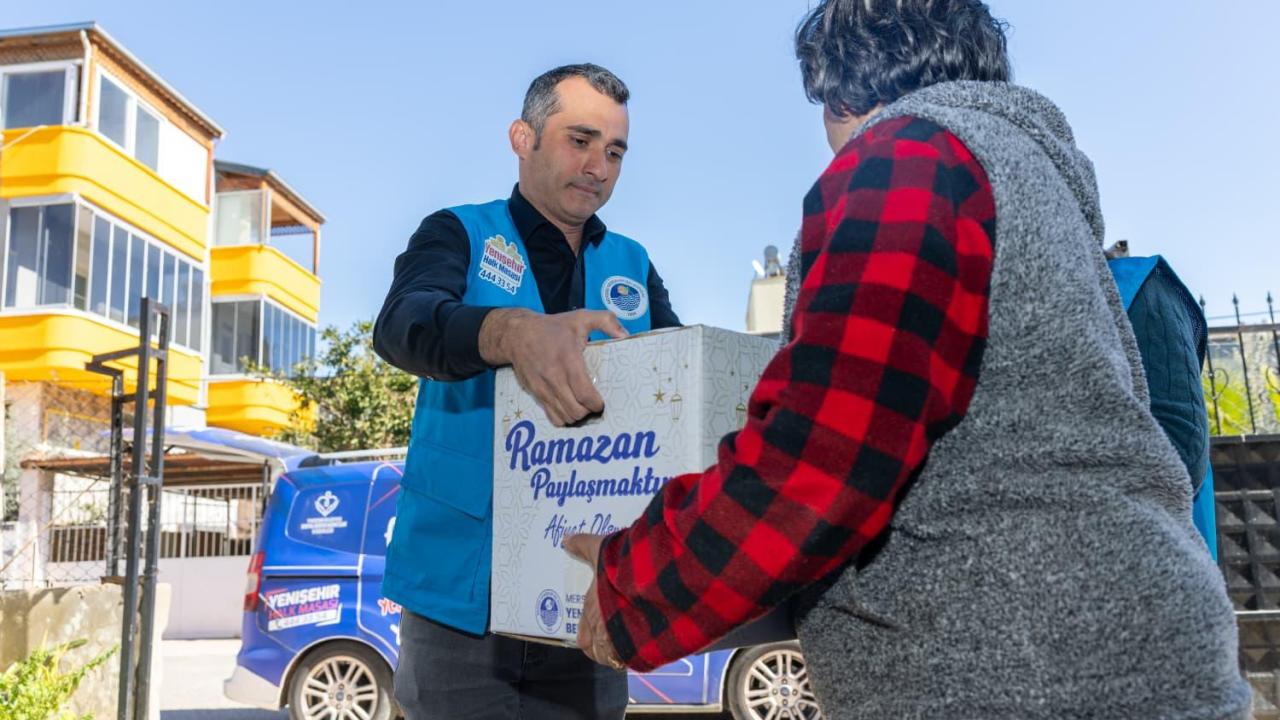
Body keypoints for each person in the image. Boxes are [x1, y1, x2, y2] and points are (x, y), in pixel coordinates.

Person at [565, 1, 1250, 717]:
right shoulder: (1022, 171)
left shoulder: (909, 156)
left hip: (1019, 673)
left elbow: (826, 450)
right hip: (1119, 648)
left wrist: (635, 586)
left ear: (843, 89)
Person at [375, 63, 680, 719]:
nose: (598, 166)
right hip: (460, 606)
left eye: (615, 151)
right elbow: (402, 324)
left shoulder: (632, 264)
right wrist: (509, 333)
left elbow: (677, 386)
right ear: (523, 137)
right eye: (580, 140)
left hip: (586, 599)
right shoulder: (458, 232)